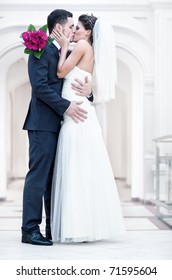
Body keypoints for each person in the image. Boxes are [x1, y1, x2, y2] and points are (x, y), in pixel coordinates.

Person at [51, 14, 125, 243]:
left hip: (76, 114)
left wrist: (63, 48)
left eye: (78, 28)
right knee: (82, 167)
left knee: (75, 166)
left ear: (88, 32)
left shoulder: (81, 45)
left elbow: (61, 72)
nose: (73, 32)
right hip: (79, 112)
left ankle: (77, 226)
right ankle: (83, 225)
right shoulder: (87, 48)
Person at [21, 9, 93, 246]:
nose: (74, 30)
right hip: (42, 123)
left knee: (54, 179)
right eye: (71, 26)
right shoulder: (38, 49)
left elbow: (76, 76)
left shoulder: (62, 50)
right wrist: (66, 107)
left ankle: (52, 227)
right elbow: (40, 86)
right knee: (38, 178)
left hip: (60, 124)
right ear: (59, 27)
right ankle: (30, 230)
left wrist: (88, 92)